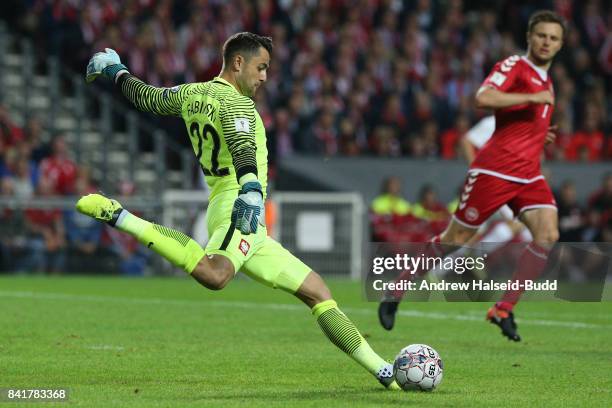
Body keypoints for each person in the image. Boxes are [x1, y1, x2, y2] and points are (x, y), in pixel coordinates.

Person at [77, 33, 399, 389]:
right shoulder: (237, 103)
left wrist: (118, 72)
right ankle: (121, 216)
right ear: (238, 63)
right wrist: (249, 189)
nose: (264, 77)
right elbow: (241, 143)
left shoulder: (192, 93)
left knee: (318, 292)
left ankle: (386, 373)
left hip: (242, 216)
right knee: (216, 275)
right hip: (237, 206)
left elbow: (149, 98)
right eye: (261, 68)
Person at [379, 10, 565, 342]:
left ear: (560, 44)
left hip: (528, 175)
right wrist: (530, 97)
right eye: (541, 35)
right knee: (456, 240)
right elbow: (483, 98)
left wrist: (539, 134)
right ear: (529, 37)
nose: (546, 42)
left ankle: (503, 308)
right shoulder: (515, 67)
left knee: (548, 234)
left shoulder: (547, 81)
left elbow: (519, 121)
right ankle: (398, 288)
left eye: (553, 38)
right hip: (494, 169)